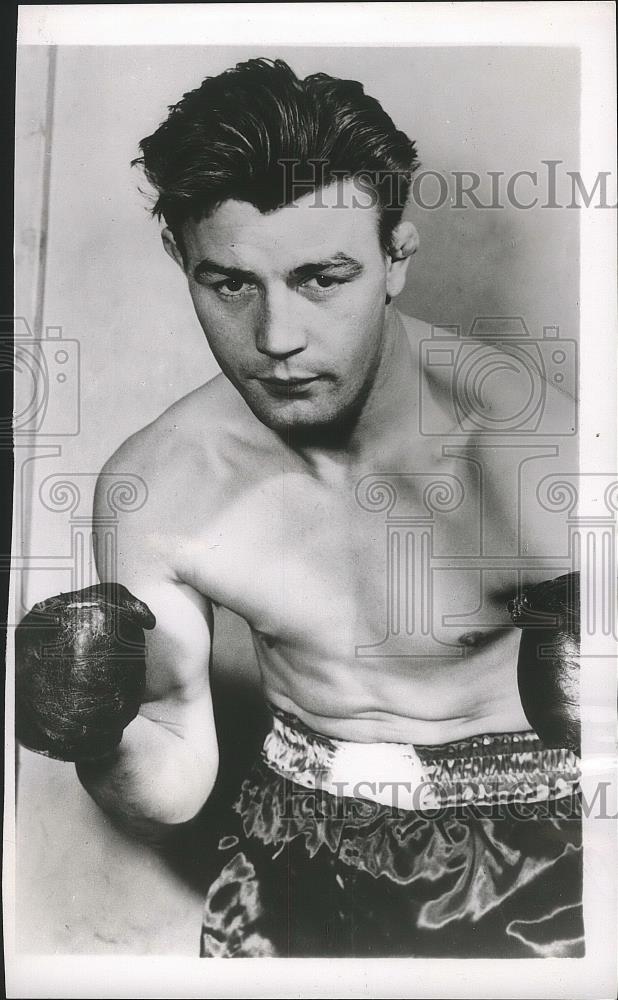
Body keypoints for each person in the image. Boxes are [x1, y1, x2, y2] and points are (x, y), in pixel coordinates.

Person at [16, 58, 583, 957]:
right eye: (231, 283)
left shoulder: (545, 462)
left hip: (541, 863)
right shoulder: (160, 487)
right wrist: (95, 738)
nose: (277, 340)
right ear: (181, 258)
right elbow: (172, 766)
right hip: (290, 855)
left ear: (397, 254)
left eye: (323, 277)